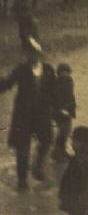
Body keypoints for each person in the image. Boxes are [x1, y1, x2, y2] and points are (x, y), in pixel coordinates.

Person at [0, 37, 56, 189]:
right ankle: (22, 180)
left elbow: (54, 92)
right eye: (29, 54)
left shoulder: (48, 70)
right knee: (22, 148)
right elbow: (7, 84)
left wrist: (59, 109)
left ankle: (37, 165)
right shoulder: (21, 70)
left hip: (42, 114)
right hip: (23, 116)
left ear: (40, 55)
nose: (32, 57)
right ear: (26, 55)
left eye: (35, 54)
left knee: (47, 140)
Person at [58, 126, 88, 215]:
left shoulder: (76, 160)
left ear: (81, 143)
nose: (72, 144)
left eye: (74, 141)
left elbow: (69, 180)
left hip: (77, 199)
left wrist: (63, 195)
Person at [52, 62, 76, 160]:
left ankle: (61, 151)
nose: (65, 74)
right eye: (62, 72)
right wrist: (61, 110)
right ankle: (57, 153)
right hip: (61, 111)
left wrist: (72, 109)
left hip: (68, 110)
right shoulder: (57, 83)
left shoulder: (69, 81)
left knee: (66, 131)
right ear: (59, 73)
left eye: (66, 72)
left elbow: (71, 97)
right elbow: (57, 99)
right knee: (63, 132)